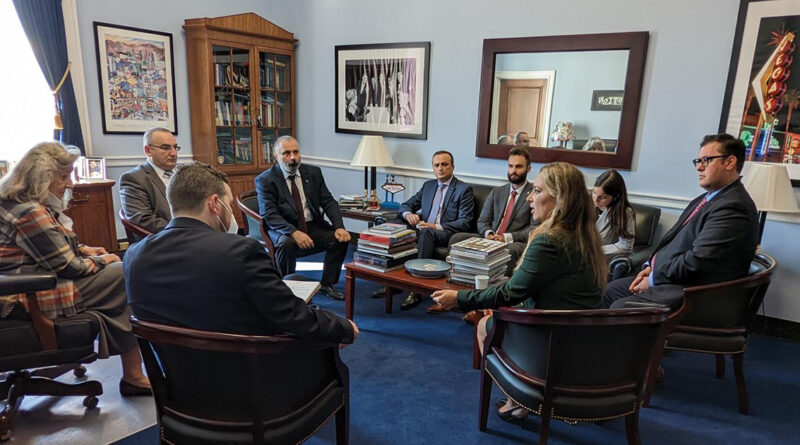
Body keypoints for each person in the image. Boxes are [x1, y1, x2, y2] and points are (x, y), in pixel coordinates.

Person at [432, 161, 606, 422]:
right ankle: (523, 397)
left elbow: (510, 293)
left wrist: (459, 298)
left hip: (553, 339)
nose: (529, 198)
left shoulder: (550, 240)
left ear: (559, 199)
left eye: (537, 190)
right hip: (583, 335)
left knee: (485, 325)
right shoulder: (584, 235)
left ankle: (519, 397)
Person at [124, 162, 358, 344]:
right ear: (214, 204)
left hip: (171, 379)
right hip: (244, 376)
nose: (230, 210)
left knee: (292, 278)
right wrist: (344, 328)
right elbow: (291, 316)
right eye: (228, 203)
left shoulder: (134, 255)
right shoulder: (241, 252)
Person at [0, 142, 150, 396]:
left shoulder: (12, 203)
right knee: (123, 274)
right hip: (25, 296)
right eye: (63, 177)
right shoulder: (30, 212)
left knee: (117, 285)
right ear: (42, 177)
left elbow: (45, 247)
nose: (70, 184)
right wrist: (105, 260)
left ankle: (132, 372)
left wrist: (85, 250)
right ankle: (134, 374)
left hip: (20, 285)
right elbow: (69, 267)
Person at [602, 133, 758, 310]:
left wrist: (653, 278)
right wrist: (650, 267)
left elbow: (697, 261)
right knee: (611, 290)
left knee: (621, 306)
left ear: (730, 162)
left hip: (698, 293)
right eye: (698, 161)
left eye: (706, 160)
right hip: (675, 280)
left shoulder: (733, 207)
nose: (699, 167)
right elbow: (672, 244)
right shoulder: (707, 199)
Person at [255, 136, 351, 301]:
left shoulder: (313, 173)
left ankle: (327, 284)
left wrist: (339, 226)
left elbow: (328, 201)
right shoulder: (265, 179)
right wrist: (293, 232)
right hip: (283, 227)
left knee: (340, 239)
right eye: (286, 153)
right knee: (286, 244)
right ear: (276, 157)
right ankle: (285, 288)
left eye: (296, 152)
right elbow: (270, 214)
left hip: (311, 225)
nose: (292, 157)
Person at [390, 150, 475, 310]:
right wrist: (409, 214)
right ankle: (391, 283)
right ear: (433, 168)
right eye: (437, 165)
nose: (440, 168)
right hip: (425, 229)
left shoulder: (463, 189)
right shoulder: (428, 186)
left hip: (446, 232)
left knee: (426, 232)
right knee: (396, 225)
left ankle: (415, 291)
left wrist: (435, 226)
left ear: (452, 167)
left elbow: (465, 222)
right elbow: (406, 205)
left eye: (444, 164)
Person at [119, 127, 178, 234]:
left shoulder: (182, 174)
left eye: (175, 147)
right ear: (148, 150)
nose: (174, 153)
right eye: (165, 148)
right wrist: (184, 230)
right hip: (165, 238)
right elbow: (143, 220)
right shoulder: (134, 179)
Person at [593, 169, 635, 257]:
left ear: (615, 197)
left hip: (600, 256)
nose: (595, 200)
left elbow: (626, 246)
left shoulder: (624, 212)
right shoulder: (586, 204)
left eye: (602, 197)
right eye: (594, 192)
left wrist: (594, 249)